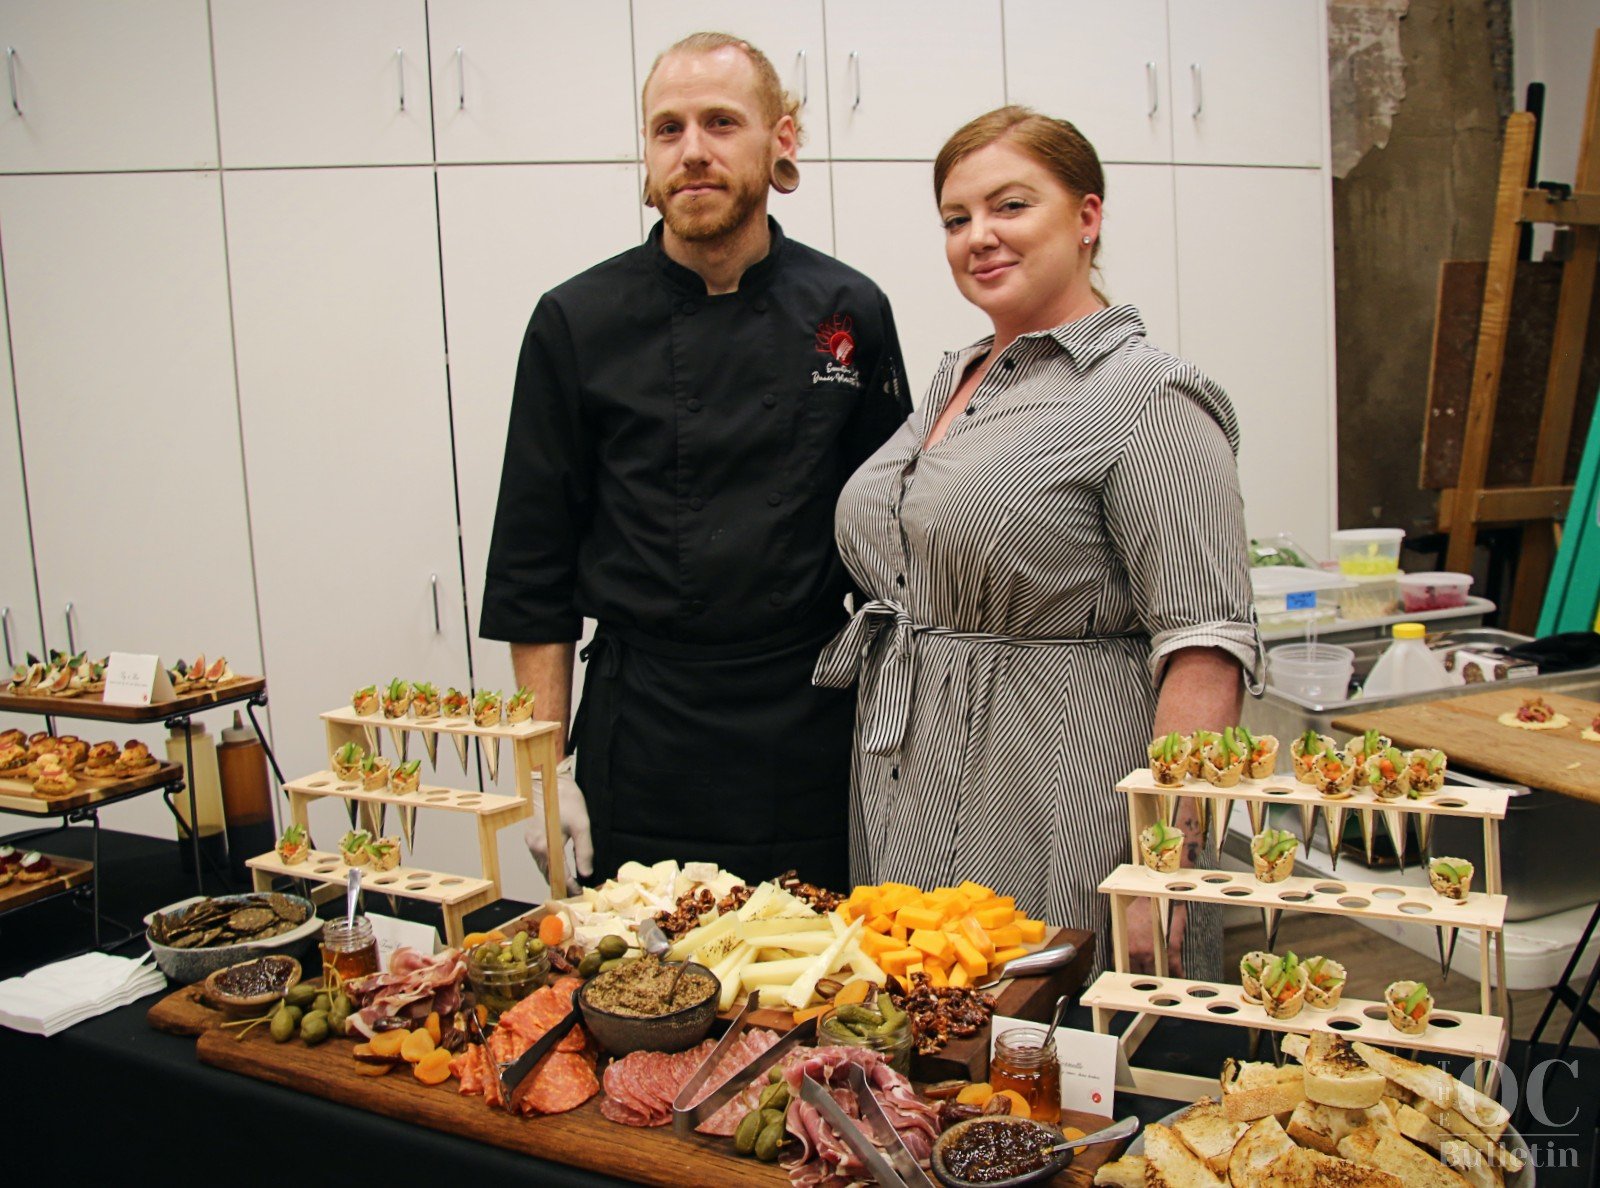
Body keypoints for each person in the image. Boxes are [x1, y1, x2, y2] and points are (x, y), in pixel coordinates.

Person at [815, 107, 1261, 979]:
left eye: (1010, 206)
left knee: (1050, 1057)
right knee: (928, 1045)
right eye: (956, 218)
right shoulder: (957, 375)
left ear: (1087, 217)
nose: (979, 237)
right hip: (909, 767)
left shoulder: (1149, 397)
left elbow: (1205, 647)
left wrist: (1160, 868)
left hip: (1057, 777)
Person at [481, 33, 908, 894]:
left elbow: (897, 552)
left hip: (810, 726)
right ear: (647, 154)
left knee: (814, 1001)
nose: (694, 152)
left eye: (721, 122)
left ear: (780, 140)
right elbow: (535, 570)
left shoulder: (849, 309)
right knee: (640, 1000)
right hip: (643, 734)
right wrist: (540, 772)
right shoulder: (574, 321)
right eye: (667, 128)